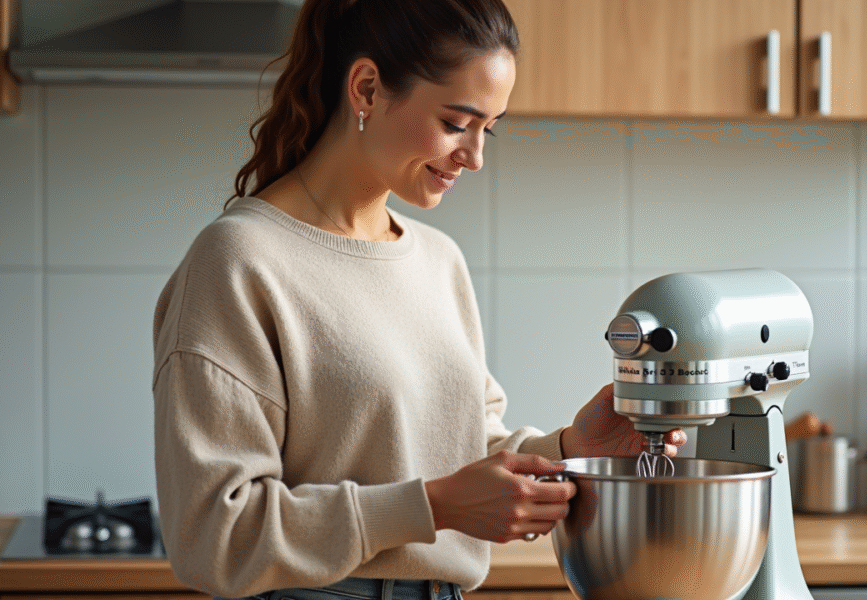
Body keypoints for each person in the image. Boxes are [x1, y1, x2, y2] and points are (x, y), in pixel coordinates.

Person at [151, 1, 685, 599]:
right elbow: (214, 535)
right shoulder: (240, 260)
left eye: (489, 128)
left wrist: (567, 450)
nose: (475, 157)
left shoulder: (437, 260)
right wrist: (431, 508)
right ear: (367, 88)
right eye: (458, 123)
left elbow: (457, 454)